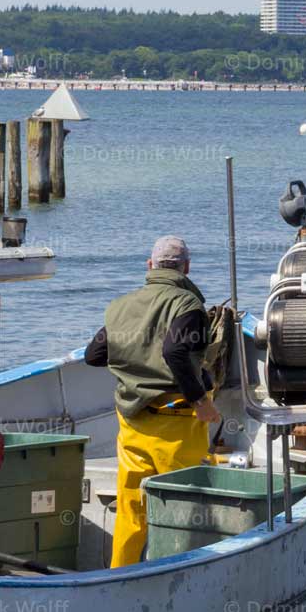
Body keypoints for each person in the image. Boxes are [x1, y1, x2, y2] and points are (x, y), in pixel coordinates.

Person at [84, 236, 220, 567]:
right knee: (181, 510)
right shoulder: (188, 305)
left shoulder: (120, 306)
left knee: (132, 512)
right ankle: (175, 577)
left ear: (150, 266)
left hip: (132, 423)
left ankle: (120, 577)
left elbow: (94, 355)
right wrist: (200, 399)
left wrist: (135, 366)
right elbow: (174, 351)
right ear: (186, 268)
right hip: (177, 425)